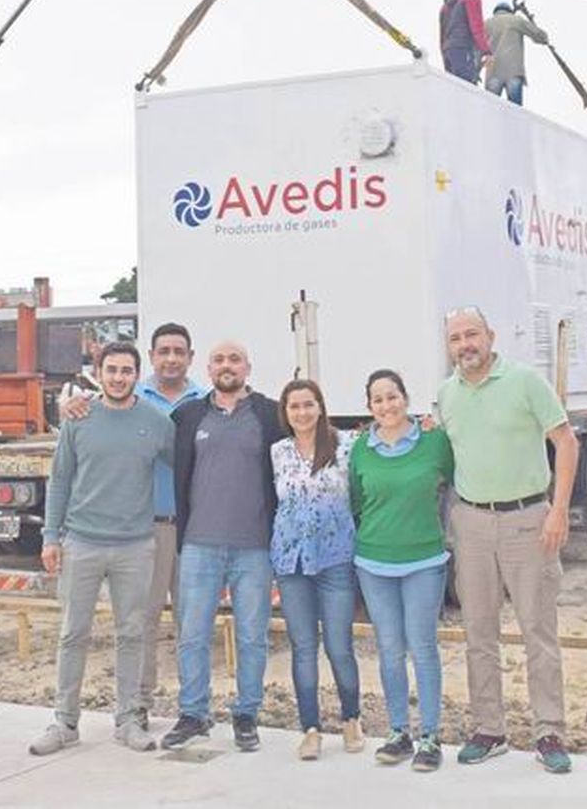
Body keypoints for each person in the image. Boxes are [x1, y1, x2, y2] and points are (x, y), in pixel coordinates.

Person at [438, 308, 578, 775]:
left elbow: (566, 441)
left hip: (527, 520)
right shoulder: (447, 395)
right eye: (455, 338)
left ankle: (549, 731)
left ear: (490, 335)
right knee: (478, 632)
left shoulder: (524, 381)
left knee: (538, 630)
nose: (464, 344)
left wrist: (557, 510)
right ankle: (489, 729)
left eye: (471, 334)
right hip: (472, 523)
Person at [28, 341, 175, 757]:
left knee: (131, 633)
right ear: (99, 372)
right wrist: (51, 537)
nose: (118, 377)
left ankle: (128, 720)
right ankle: (64, 722)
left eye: (127, 371)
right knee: (73, 633)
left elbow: (186, 469)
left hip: (135, 546)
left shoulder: (157, 423)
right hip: (81, 543)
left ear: (136, 375)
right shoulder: (79, 418)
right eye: (111, 370)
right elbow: (59, 480)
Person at [60, 323, 207, 730]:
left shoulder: (205, 402)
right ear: (152, 356)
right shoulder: (129, 396)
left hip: (195, 527)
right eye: (164, 351)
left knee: (192, 624)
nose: (171, 358)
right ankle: (139, 705)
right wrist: (72, 405)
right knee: (141, 623)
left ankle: (194, 708)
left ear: (190, 357)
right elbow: (96, 419)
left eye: (179, 351)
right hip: (150, 529)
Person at [161, 341, 284, 753]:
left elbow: (312, 437)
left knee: (252, 637)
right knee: (192, 634)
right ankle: (193, 713)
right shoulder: (188, 415)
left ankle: (246, 714)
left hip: (255, 548)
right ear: (208, 368)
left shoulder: (269, 415)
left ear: (248, 367)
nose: (227, 366)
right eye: (219, 360)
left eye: (235, 360)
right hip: (199, 544)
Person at [349, 368, 456, 772]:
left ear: (406, 399)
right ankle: (399, 733)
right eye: (378, 400)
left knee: (423, 646)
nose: (386, 405)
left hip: (424, 562)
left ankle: (430, 736)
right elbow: (356, 499)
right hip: (374, 563)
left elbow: (453, 481)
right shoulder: (362, 448)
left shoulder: (433, 442)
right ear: (369, 407)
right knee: (390, 649)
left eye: (392, 397)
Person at [270, 378, 363, 760]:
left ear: (321, 406)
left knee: (339, 645)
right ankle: (310, 728)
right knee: (303, 647)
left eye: (309, 405)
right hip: (291, 562)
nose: (302, 412)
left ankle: (351, 719)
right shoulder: (278, 451)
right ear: (285, 412)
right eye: (294, 406)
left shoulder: (346, 446)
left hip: (335, 559)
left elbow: (359, 493)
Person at [484, 2, 549, 106]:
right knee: (515, 110)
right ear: (510, 11)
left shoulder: (487, 23)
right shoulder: (516, 20)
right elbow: (541, 37)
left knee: (490, 107)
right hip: (513, 71)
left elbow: (476, 45)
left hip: (493, 71)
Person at [439, 0, 491, 84]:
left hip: (448, 51)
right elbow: (476, 26)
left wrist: (444, 55)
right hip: (462, 49)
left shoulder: (445, 5)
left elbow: (442, 35)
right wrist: (486, 50)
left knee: (454, 90)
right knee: (467, 90)